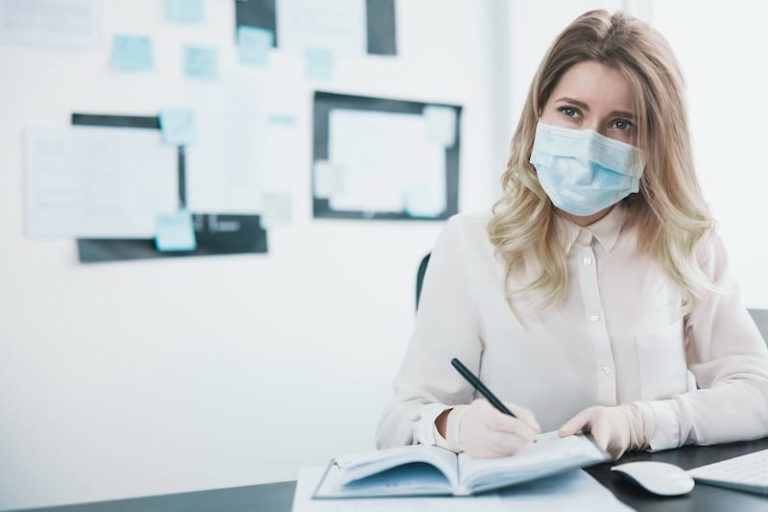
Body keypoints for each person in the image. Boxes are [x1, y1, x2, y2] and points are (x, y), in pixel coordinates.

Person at [375, 9, 768, 460]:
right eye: (571, 112)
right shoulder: (470, 243)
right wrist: (456, 425)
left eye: (622, 123)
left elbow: (758, 394)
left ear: (656, 140)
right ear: (539, 115)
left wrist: (645, 420)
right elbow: (396, 422)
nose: (589, 141)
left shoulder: (686, 242)